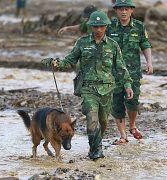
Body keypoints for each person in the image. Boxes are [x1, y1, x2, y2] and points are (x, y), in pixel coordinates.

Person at [42, 10, 133, 160]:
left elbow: (121, 67)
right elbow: (70, 60)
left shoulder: (113, 45)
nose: (98, 30)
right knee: (92, 120)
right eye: (95, 26)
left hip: (107, 89)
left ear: (106, 27)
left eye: (101, 26)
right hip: (88, 89)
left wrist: (128, 85)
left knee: (103, 123)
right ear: (90, 26)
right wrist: (57, 63)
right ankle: (95, 151)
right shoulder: (82, 43)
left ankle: (95, 146)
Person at [106, 0, 153, 145]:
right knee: (117, 104)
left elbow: (145, 44)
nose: (123, 12)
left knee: (132, 102)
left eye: (126, 9)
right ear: (116, 11)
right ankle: (123, 135)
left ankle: (132, 126)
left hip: (132, 72)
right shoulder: (109, 26)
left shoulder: (139, 27)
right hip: (113, 73)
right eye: (120, 9)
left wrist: (149, 62)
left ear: (132, 10)